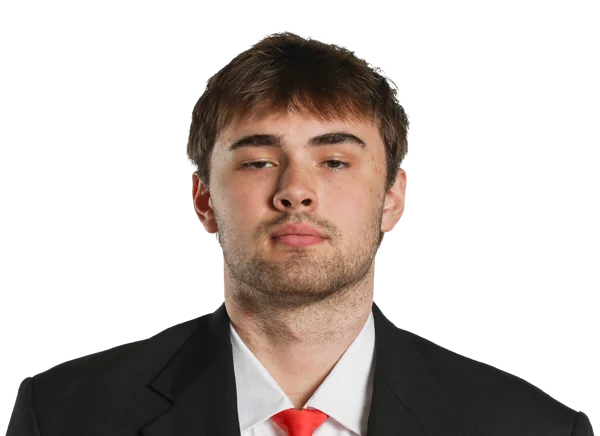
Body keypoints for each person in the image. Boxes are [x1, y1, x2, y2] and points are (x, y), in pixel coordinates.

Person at [7, 31, 591, 436]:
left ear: (393, 199)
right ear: (204, 201)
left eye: (334, 161)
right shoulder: (63, 419)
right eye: (259, 161)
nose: (295, 191)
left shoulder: (531, 429)